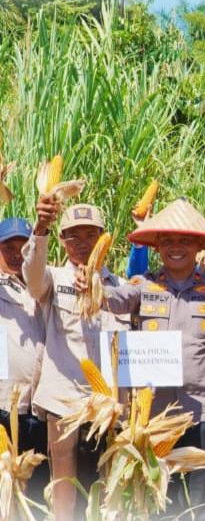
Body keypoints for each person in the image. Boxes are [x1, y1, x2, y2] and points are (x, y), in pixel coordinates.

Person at [98, 199, 205, 520]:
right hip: (157, 414)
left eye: (184, 241)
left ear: (198, 246)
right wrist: (92, 286)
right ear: (157, 247)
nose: (175, 247)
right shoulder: (143, 285)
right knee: (161, 502)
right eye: (167, 241)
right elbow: (113, 300)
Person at [24, 200, 128, 520]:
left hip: (108, 407)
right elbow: (32, 276)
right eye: (73, 236)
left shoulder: (120, 287)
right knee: (65, 495)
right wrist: (40, 229)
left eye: (90, 235)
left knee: (105, 493)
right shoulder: (54, 279)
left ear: (103, 237)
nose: (83, 243)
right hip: (64, 401)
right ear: (62, 241)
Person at [0, 218, 47, 502]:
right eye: (8, 248)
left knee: (37, 494)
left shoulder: (44, 285)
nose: (17, 254)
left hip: (41, 406)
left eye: (24, 248)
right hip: (5, 405)